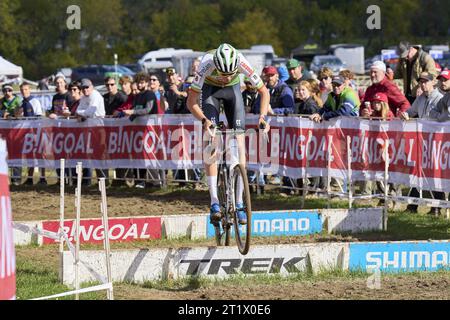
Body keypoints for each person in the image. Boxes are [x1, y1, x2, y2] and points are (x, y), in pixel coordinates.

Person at [186, 43, 270, 225]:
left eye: (230, 74)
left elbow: (264, 91)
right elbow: (191, 101)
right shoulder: (206, 64)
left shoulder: (241, 61)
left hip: (233, 92)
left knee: (240, 145)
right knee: (211, 142)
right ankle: (214, 201)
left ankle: (239, 202)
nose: (225, 77)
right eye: (223, 74)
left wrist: (263, 118)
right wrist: (204, 121)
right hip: (210, 92)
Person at [399, 72, 445, 215]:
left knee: (435, 174)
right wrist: (405, 114)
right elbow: (411, 112)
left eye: (425, 81)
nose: (422, 84)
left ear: (433, 83)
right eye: (421, 82)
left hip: (437, 142)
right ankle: (413, 205)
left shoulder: (440, 99)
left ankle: (436, 207)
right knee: (418, 172)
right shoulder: (420, 99)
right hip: (422, 141)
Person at [18, 83, 47, 186]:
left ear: (29, 90)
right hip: (26, 133)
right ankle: (30, 178)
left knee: (40, 155)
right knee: (29, 155)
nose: (24, 91)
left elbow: (39, 116)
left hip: (36, 131)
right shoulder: (22, 103)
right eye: (22, 90)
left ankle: (43, 178)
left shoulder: (35, 102)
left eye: (25, 89)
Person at [1, 84, 22, 185]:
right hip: (4, 132)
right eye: (5, 90)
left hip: (16, 131)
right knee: (5, 154)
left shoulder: (18, 100)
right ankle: (5, 177)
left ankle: (16, 178)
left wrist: (10, 115)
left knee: (16, 153)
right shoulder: (1, 101)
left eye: (9, 90)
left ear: (12, 91)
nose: (7, 92)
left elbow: (20, 113)